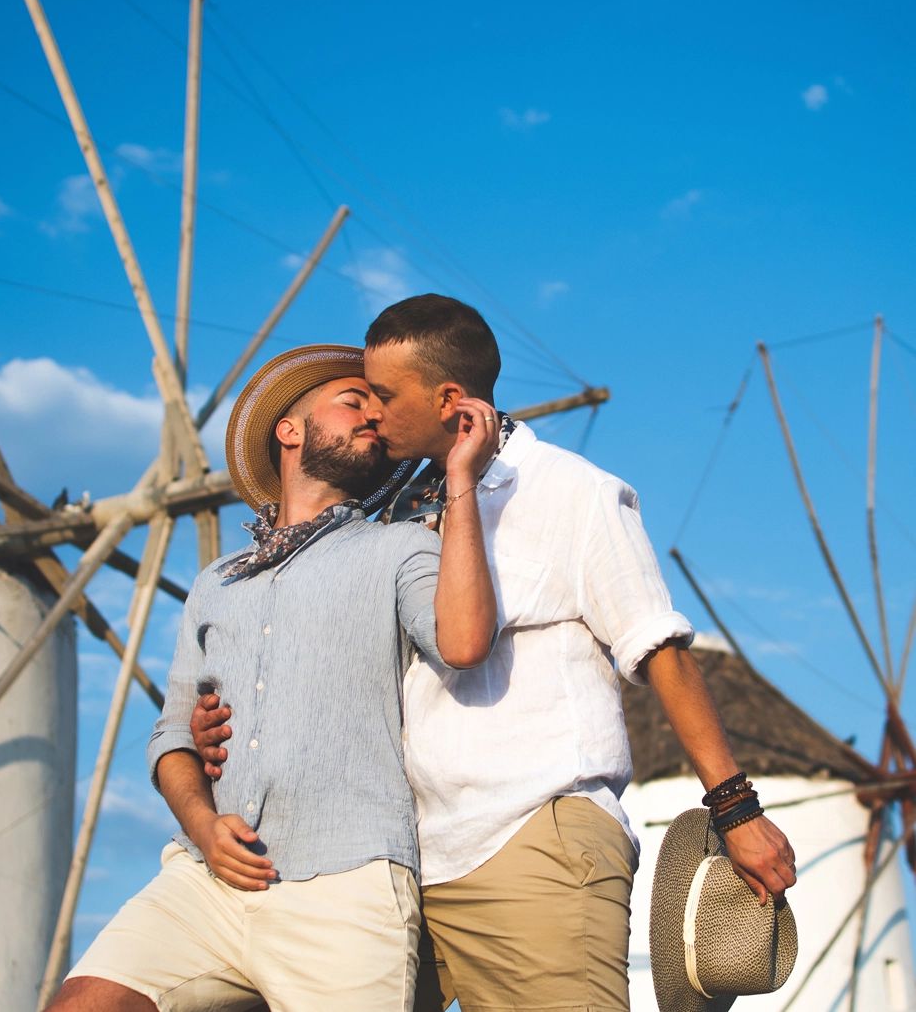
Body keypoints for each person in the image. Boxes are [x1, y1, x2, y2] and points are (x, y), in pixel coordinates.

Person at [193, 298, 798, 1012]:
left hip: (527, 840)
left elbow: (658, 648)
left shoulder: (570, 491)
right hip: (395, 862)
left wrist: (735, 809)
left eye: (384, 394)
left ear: (449, 399)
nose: (372, 412)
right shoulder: (389, 511)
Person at [48, 343, 500, 1012]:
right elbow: (173, 731)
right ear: (289, 429)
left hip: (345, 883)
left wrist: (459, 476)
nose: (373, 416)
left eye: (378, 405)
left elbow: (463, 642)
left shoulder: (398, 548)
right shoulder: (216, 582)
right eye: (354, 401)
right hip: (207, 878)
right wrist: (202, 824)